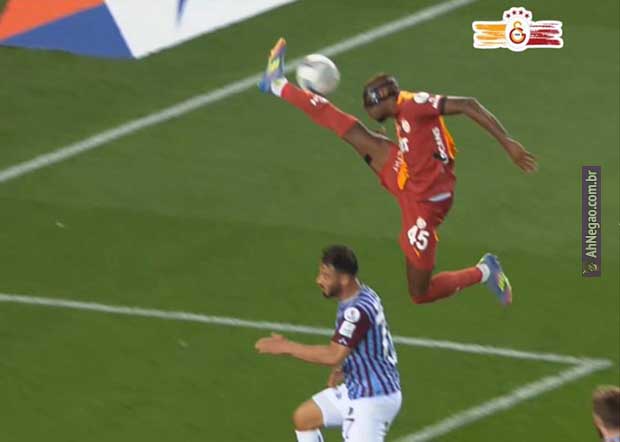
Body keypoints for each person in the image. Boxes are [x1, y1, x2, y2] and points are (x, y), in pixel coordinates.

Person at [258, 38, 540, 306]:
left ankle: (485, 272)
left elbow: (468, 104)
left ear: (381, 101)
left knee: (420, 293)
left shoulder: (414, 106)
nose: (368, 112)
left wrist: (508, 143)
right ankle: (277, 84)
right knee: (347, 128)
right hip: (406, 173)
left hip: (425, 204)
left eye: (370, 107)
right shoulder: (401, 107)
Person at [255, 245, 401, 442]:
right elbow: (364, 341)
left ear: (344, 279)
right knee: (305, 418)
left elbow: (333, 355)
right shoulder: (363, 295)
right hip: (359, 386)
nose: (319, 280)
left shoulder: (356, 311)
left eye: (326, 275)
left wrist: (286, 347)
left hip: (371, 399)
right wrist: (345, 366)